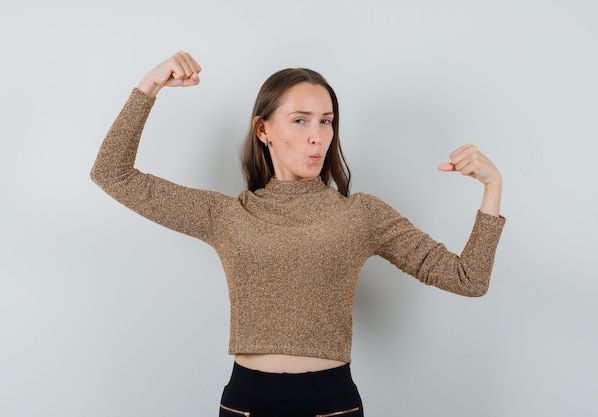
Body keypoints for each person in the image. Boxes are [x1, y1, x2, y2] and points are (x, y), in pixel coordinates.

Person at [91, 51, 505, 417]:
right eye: (300, 120)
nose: (317, 135)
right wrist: (150, 85)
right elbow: (111, 173)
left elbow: (468, 279)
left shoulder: (361, 214)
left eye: (326, 121)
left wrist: (492, 188)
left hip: (331, 402)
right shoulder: (227, 215)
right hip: (247, 400)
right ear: (263, 130)